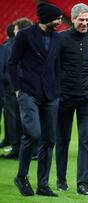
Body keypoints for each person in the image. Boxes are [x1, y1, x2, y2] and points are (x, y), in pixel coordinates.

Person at [8, 2, 62, 197]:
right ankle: (21, 176)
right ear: (46, 18)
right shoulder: (24, 35)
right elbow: (12, 63)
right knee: (33, 133)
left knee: (49, 140)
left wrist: (57, 88)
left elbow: (57, 65)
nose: (59, 22)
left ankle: (43, 184)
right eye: (57, 19)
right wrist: (18, 89)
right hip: (28, 91)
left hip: (51, 95)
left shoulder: (57, 38)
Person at [55, 3, 88, 196]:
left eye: (87, 20)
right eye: (81, 20)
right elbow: (52, 66)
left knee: (86, 140)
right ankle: (61, 180)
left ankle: (83, 183)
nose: (84, 23)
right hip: (64, 98)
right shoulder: (60, 39)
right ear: (73, 19)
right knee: (63, 140)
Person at [1, 18, 33, 160]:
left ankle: (17, 149)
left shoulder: (10, 46)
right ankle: (30, 149)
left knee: (14, 120)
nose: (14, 32)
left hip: (12, 88)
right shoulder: (35, 44)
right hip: (29, 88)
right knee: (28, 120)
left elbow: (7, 69)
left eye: (15, 29)